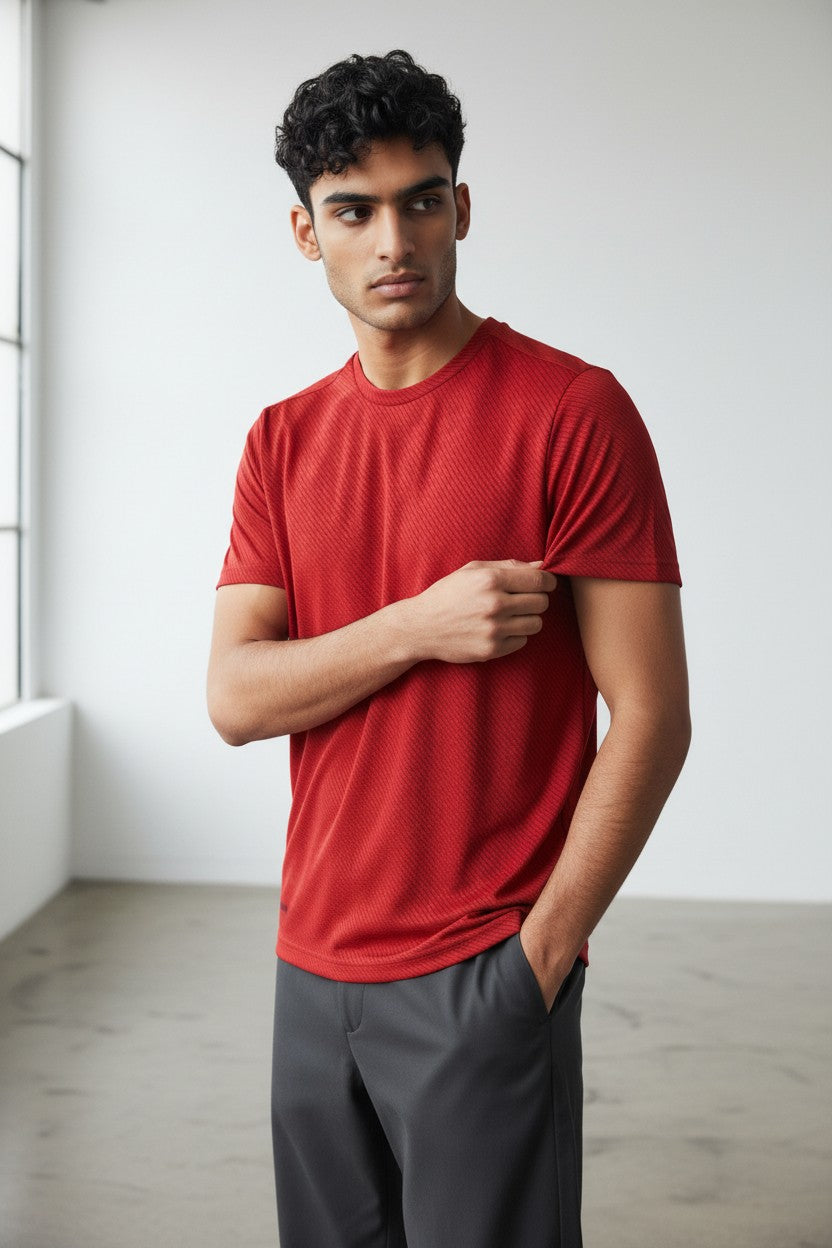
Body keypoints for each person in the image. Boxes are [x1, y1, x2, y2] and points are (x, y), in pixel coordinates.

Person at [207, 48, 691, 1248]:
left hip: (485, 967)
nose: (393, 242)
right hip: (310, 968)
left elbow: (652, 714)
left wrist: (543, 952)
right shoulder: (281, 441)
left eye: (422, 199)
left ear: (461, 207)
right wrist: (416, 627)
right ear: (304, 232)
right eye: (353, 211)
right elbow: (233, 696)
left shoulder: (573, 414)